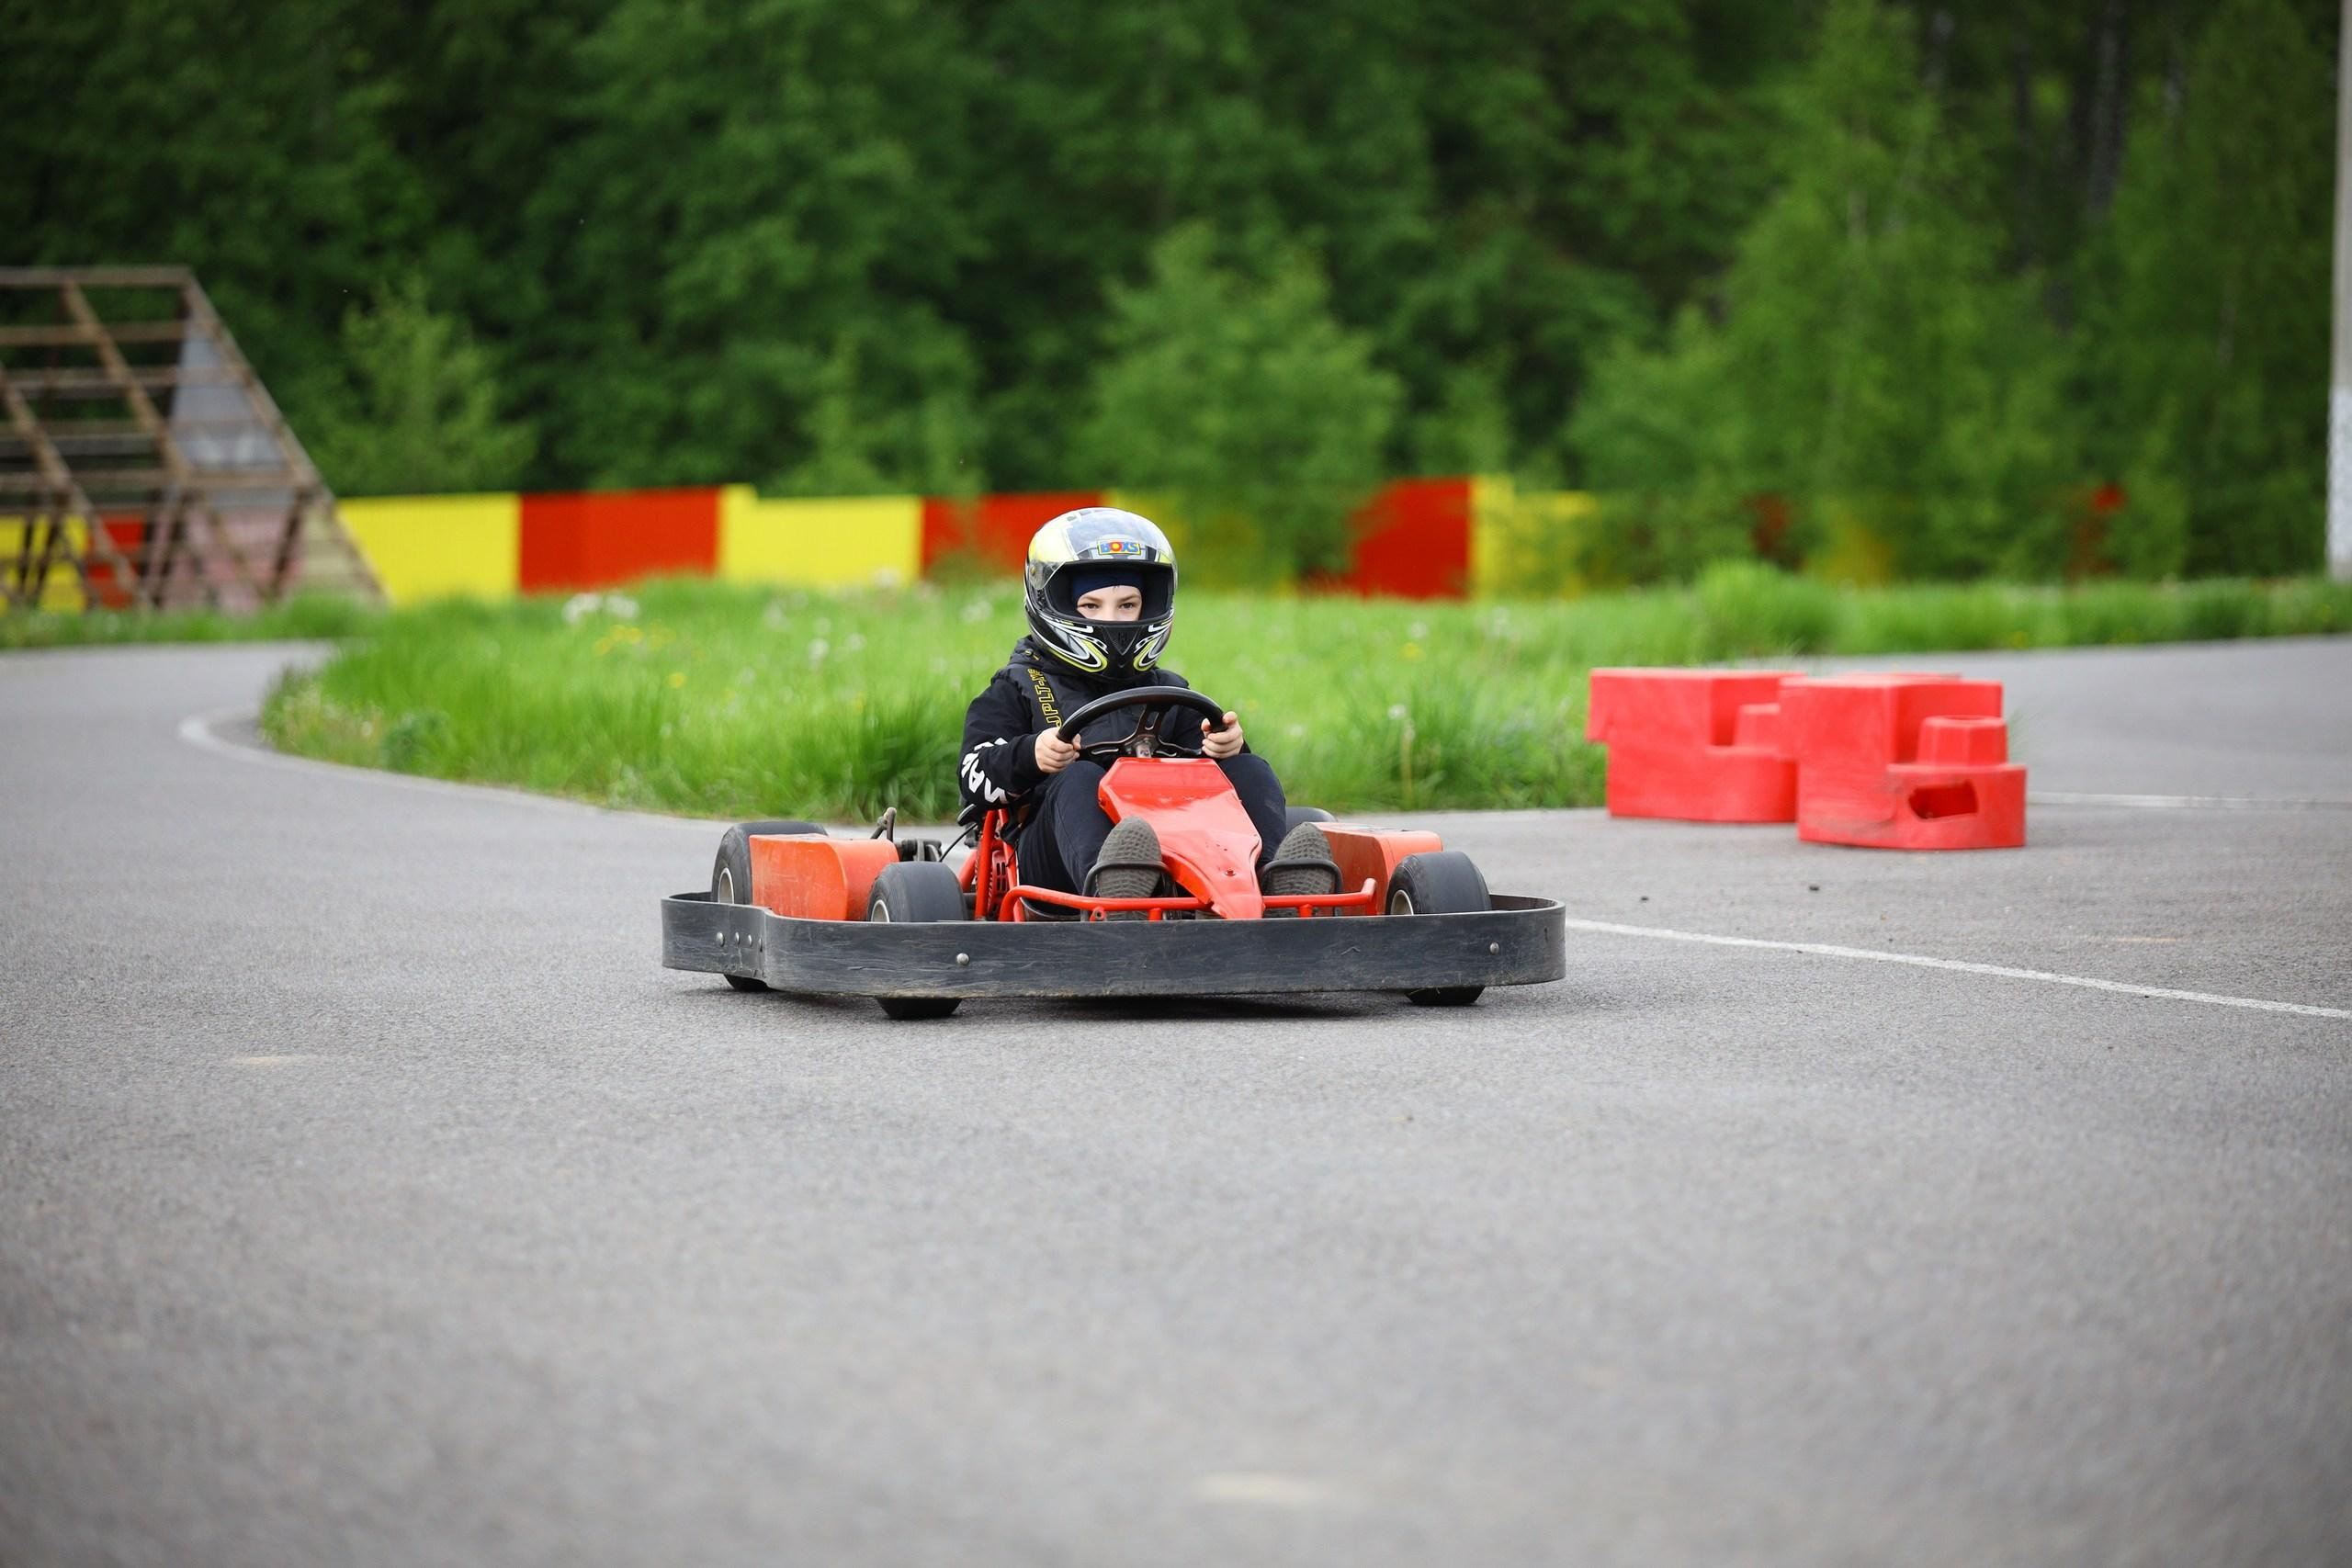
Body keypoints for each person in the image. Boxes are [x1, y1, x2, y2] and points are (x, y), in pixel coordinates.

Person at [956, 507, 1335, 913]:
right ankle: (1117, 889)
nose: (1112, 619)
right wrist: (1031, 755)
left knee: (1250, 768)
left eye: (1127, 605)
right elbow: (973, 778)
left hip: (1177, 850)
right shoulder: (1018, 687)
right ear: (1054, 603)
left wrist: (1226, 748)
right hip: (1054, 863)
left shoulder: (1169, 691)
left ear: (1149, 604)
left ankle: (1274, 881)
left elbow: (1214, 778)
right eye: (1091, 605)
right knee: (1077, 776)